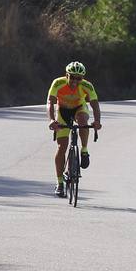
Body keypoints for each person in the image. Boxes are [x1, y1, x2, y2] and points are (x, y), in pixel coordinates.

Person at [47, 61, 102, 197]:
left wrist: (97, 121)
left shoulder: (87, 86)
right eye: (72, 77)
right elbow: (50, 102)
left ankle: (84, 150)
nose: (75, 81)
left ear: (82, 78)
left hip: (79, 109)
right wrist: (52, 120)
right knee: (62, 147)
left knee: (83, 121)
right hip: (62, 112)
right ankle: (60, 183)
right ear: (67, 75)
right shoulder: (58, 83)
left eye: (79, 78)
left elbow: (95, 105)